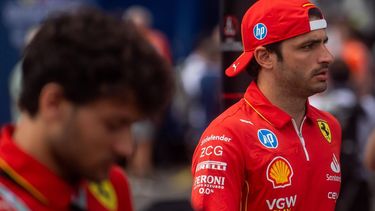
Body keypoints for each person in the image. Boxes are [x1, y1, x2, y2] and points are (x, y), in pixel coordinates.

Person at [0, 7, 172, 211]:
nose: (126, 148)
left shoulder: (112, 183)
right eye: (113, 125)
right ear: (53, 103)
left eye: (131, 125)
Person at [191, 0, 342, 210]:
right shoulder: (226, 137)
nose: (327, 57)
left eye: (324, 43)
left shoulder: (329, 126)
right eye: (308, 46)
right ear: (265, 57)